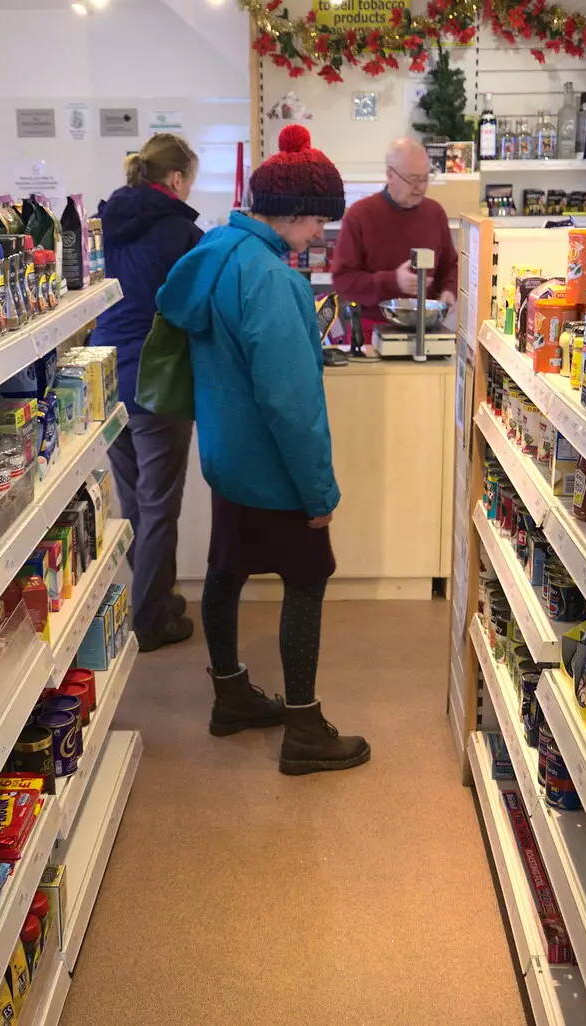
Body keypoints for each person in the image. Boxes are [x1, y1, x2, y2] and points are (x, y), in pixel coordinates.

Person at [157, 125, 371, 776]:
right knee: (306, 582)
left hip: (226, 458)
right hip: (277, 470)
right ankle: (304, 728)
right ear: (296, 214)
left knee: (226, 570)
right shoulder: (273, 280)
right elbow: (290, 402)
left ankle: (232, 696)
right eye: (317, 224)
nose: (317, 237)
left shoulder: (216, 250)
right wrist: (319, 493)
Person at [96, 133, 204, 652]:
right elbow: (192, 307)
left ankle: (151, 595)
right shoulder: (180, 233)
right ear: (177, 180)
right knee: (159, 504)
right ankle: (151, 620)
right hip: (156, 377)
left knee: (135, 497)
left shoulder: (108, 223)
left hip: (104, 371)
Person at [330, 136, 459, 340]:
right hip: (370, 335)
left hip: (427, 332)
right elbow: (343, 281)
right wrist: (393, 281)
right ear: (390, 174)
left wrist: (449, 291)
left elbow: (450, 266)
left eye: (425, 178)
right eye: (413, 179)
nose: (421, 187)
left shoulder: (435, 213)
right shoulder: (360, 215)